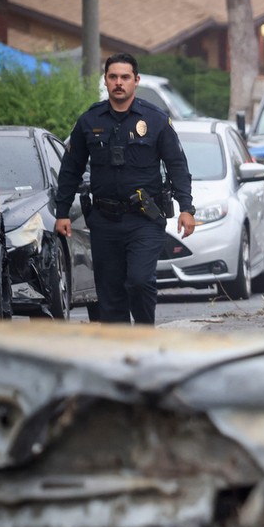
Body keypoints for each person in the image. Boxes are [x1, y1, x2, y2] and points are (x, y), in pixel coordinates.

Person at [54, 52, 196, 325]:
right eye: (113, 77)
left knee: (140, 280)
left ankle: (143, 334)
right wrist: (62, 212)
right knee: (110, 293)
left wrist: (186, 208)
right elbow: (70, 169)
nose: (119, 83)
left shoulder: (155, 120)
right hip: (104, 220)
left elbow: (177, 165)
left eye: (125, 77)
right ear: (105, 81)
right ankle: (120, 346)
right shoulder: (89, 121)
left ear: (136, 80)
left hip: (144, 219)